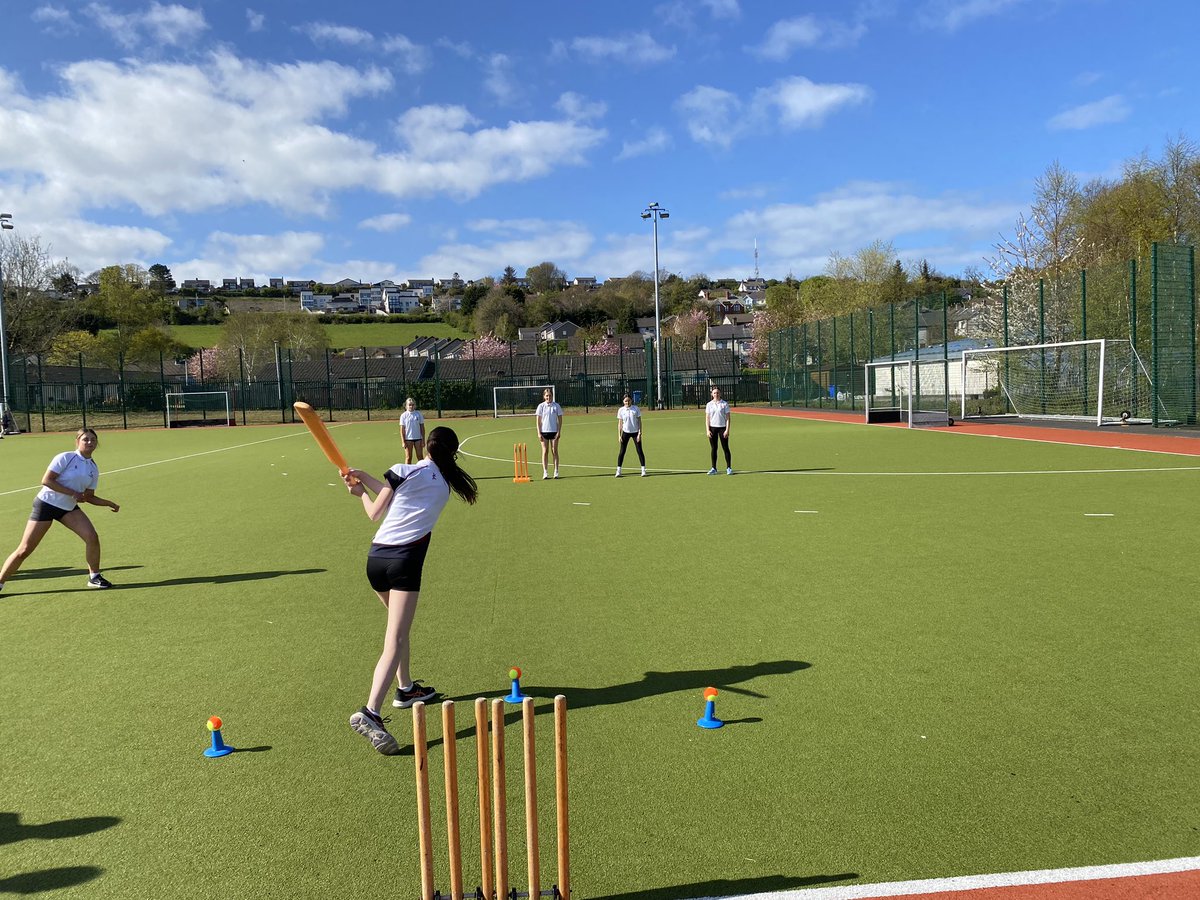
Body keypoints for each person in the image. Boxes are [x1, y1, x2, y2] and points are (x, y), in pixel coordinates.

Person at [344, 425, 479, 755]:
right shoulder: (443, 485)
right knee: (396, 637)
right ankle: (371, 711)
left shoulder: (404, 471)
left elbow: (377, 509)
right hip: (404, 563)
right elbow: (393, 496)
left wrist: (361, 492)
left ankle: (405, 688)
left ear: (426, 447)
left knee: (398, 631)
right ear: (452, 453)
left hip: (376, 560)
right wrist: (364, 481)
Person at [0, 427, 121, 593]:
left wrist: (109, 503)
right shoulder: (66, 457)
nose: (90, 442)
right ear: (77, 441)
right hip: (46, 505)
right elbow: (47, 480)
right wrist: (73, 493)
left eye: (93, 440)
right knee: (24, 550)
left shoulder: (93, 468)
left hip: (68, 508)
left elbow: (88, 496)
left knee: (92, 537)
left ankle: (94, 577)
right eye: (85, 439)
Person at [615, 393, 646, 477]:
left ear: (631, 400)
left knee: (639, 451)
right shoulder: (621, 410)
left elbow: (639, 421)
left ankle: (643, 470)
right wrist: (619, 435)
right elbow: (620, 423)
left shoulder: (636, 409)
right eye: (625, 401)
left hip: (635, 433)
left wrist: (639, 433)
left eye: (628, 401)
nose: (627, 402)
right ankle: (618, 471)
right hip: (625, 433)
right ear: (623, 401)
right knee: (622, 452)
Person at [535, 387, 563, 480]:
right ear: (544, 396)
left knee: (554, 451)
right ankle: (545, 472)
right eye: (547, 396)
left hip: (554, 431)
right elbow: (538, 421)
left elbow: (560, 420)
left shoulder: (556, 406)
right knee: (545, 451)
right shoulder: (541, 406)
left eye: (550, 395)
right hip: (544, 432)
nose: (548, 397)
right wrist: (539, 433)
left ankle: (556, 471)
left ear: (552, 396)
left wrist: (559, 431)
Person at [705, 385, 733, 475]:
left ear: (720, 394)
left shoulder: (724, 404)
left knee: (725, 448)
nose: (716, 394)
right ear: (712, 394)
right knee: (714, 448)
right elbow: (707, 419)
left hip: (722, 428)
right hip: (712, 428)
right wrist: (708, 430)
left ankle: (729, 468)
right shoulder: (709, 405)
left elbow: (728, 418)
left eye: (717, 393)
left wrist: (727, 430)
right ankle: (714, 468)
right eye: (714, 393)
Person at [398, 397, 426, 464]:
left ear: (415, 405)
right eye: (409, 405)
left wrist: (423, 440)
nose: (411, 406)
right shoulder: (403, 415)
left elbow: (422, 428)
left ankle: (422, 470)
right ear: (406, 406)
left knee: (420, 457)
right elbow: (402, 430)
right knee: (408, 457)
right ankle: (407, 470)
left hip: (418, 439)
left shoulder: (418, 414)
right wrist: (403, 441)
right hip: (408, 439)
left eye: (413, 405)